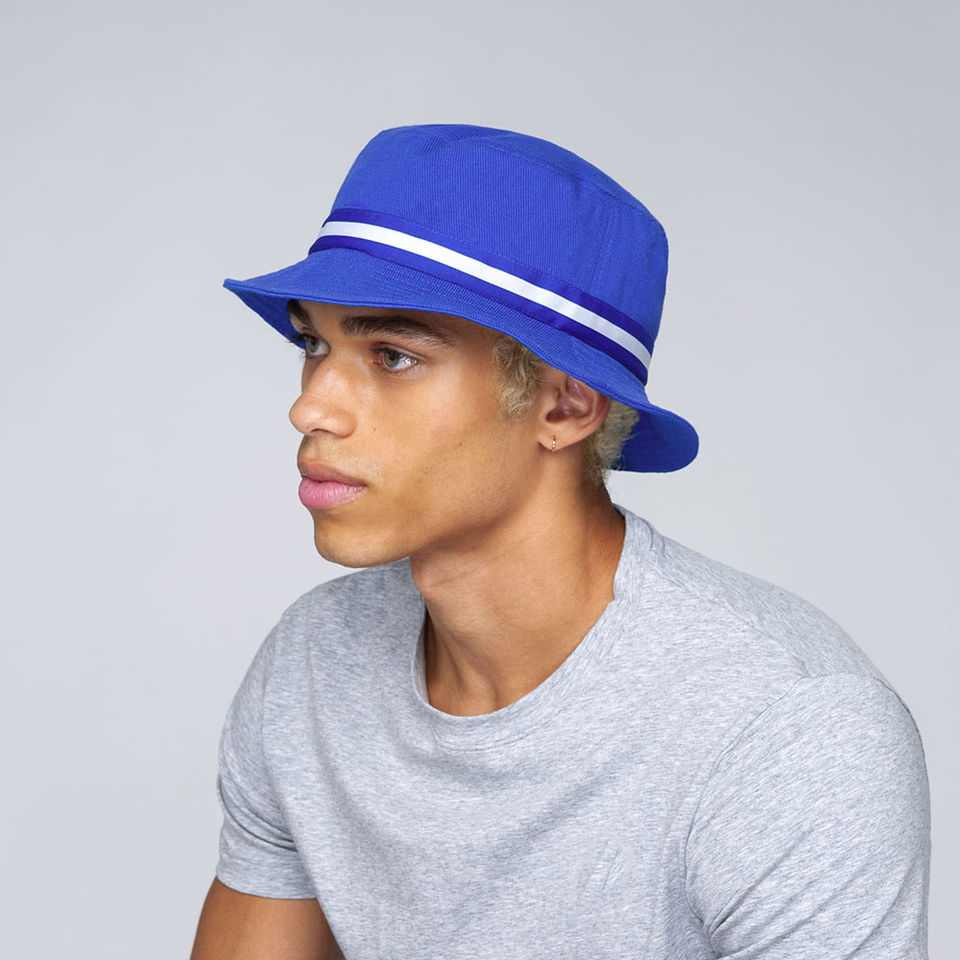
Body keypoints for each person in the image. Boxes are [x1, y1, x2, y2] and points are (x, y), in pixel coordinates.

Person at [189, 124, 930, 959]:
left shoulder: (788, 730)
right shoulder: (314, 663)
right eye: (314, 344)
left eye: (391, 356)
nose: (311, 406)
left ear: (566, 406)